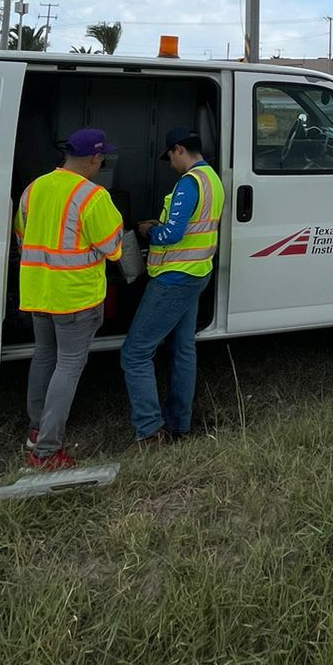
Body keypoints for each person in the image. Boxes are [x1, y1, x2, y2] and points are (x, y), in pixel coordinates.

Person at [14, 127, 123, 468]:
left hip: (37, 292)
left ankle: (35, 431)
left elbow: (22, 235)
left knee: (44, 358)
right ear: (94, 158)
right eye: (102, 158)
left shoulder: (34, 189)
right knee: (68, 367)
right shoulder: (93, 196)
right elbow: (114, 249)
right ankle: (47, 450)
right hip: (75, 298)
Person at [121, 127, 226, 445]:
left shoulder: (189, 183)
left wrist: (148, 231)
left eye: (170, 158)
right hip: (197, 272)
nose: (170, 164)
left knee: (135, 353)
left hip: (174, 278)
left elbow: (173, 235)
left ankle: (150, 430)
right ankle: (179, 424)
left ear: (179, 150)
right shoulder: (213, 180)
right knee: (183, 350)